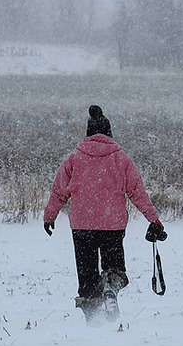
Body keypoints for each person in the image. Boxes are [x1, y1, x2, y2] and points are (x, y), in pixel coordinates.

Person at [44, 105, 165, 324]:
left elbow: (59, 190)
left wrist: (49, 216)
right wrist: (153, 219)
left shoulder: (74, 158)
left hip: (82, 225)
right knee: (114, 266)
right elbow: (137, 192)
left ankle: (93, 319)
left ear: (88, 132)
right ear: (109, 132)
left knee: (87, 272)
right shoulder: (121, 158)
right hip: (112, 224)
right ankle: (111, 286)